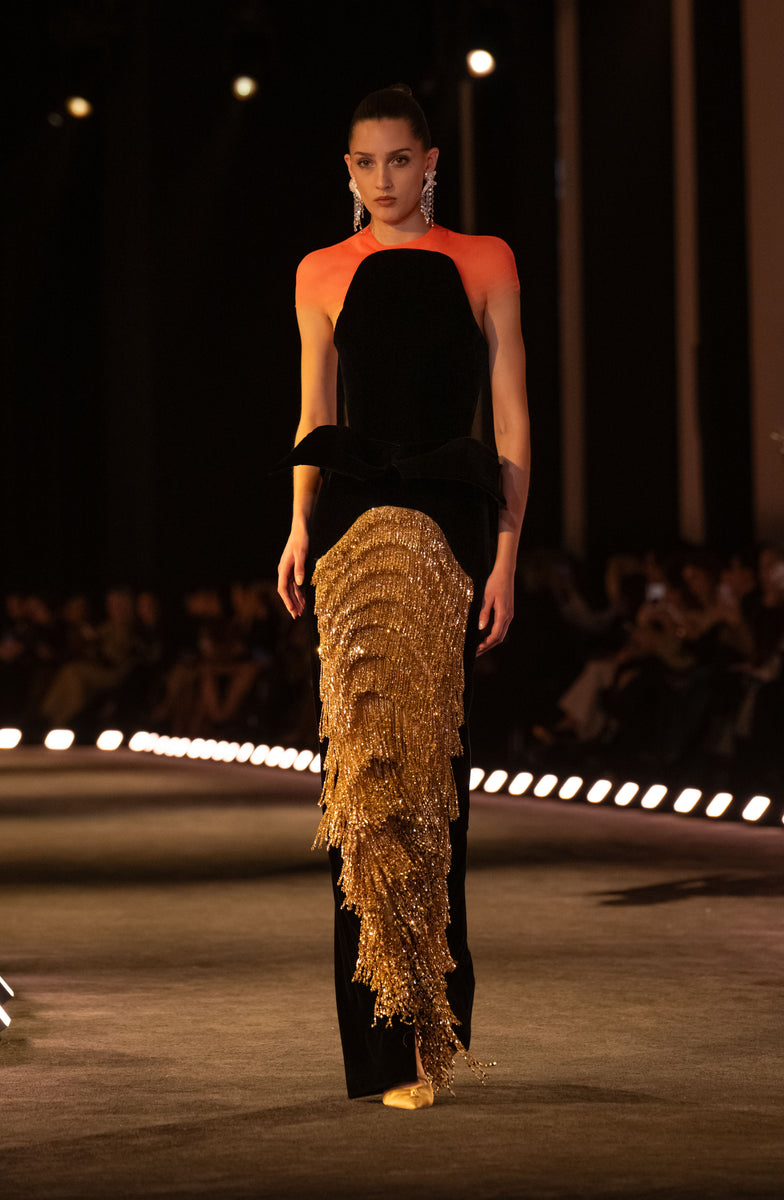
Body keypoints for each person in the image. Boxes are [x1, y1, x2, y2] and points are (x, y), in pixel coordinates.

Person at [277, 84, 529, 1110]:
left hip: (446, 525)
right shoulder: (319, 270)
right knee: (360, 783)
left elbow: (511, 419)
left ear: (430, 161)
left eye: (398, 159)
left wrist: (507, 555)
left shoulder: (485, 259)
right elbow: (313, 409)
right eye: (364, 162)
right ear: (347, 171)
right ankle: (379, 1047)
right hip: (347, 528)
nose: (382, 178)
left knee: (429, 779)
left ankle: (428, 1031)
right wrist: (298, 526)